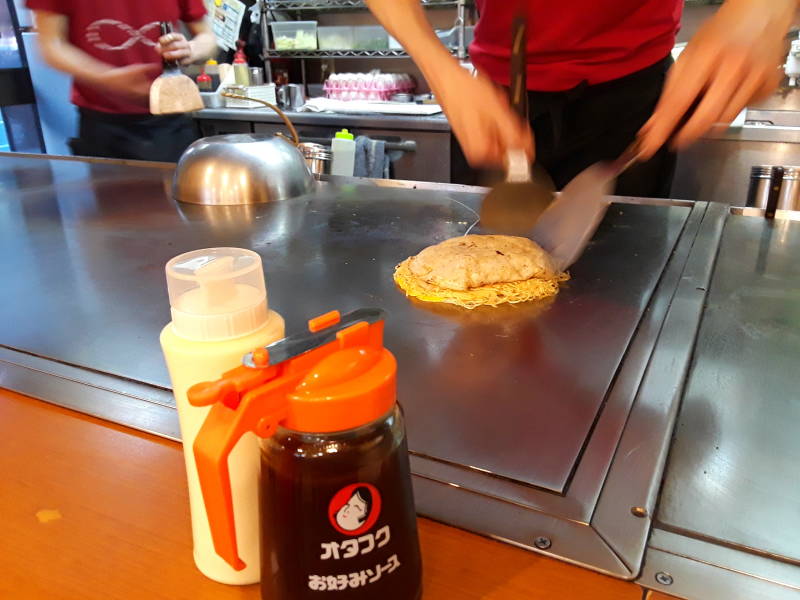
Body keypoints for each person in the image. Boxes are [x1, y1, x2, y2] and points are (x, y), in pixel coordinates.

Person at [366, 0, 796, 197]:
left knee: (622, 280)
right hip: (494, 99)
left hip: (632, 94)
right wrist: (439, 67)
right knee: (481, 269)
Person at [27, 0, 217, 162]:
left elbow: (208, 38)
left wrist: (190, 49)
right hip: (102, 125)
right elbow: (51, 46)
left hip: (170, 120)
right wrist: (106, 78)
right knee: (113, 204)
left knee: (178, 200)